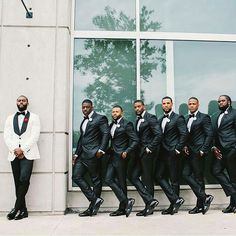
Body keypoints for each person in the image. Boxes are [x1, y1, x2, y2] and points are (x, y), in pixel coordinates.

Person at [4, 95, 40, 220]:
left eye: (23, 100)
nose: (21, 102)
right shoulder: (9, 118)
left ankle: (15, 208)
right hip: (14, 154)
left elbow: (35, 136)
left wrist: (23, 149)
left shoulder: (34, 117)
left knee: (24, 180)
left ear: (27, 103)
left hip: (28, 153)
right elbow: (6, 136)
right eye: (19, 100)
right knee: (17, 182)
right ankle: (23, 210)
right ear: (16, 102)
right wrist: (15, 149)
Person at [72, 99, 109, 217]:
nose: (85, 109)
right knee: (76, 176)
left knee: (96, 180)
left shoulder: (100, 118)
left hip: (93, 154)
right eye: (83, 107)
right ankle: (95, 200)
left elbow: (106, 134)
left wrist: (101, 150)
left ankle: (92, 208)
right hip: (82, 155)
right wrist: (76, 154)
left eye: (87, 107)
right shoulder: (84, 121)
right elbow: (82, 138)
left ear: (92, 107)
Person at [128, 100, 161, 216]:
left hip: (147, 153)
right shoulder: (136, 120)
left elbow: (158, 134)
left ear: (144, 107)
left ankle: (149, 207)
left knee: (147, 179)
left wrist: (150, 148)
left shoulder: (150, 117)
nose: (137, 109)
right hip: (139, 154)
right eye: (135, 107)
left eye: (139, 106)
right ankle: (150, 201)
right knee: (133, 176)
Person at [156, 96, 188, 215]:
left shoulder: (178, 118)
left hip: (173, 153)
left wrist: (178, 149)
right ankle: (175, 199)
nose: (165, 105)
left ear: (172, 104)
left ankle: (174, 206)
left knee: (174, 180)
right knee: (158, 176)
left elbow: (184, 134)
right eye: (163, 103)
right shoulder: (160, 119)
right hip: (162, 153)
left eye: (168, 103)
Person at [105, 105, 138, 217]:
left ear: (121, 113)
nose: (114, 113)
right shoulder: (111, 125)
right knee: (108, 179)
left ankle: (122, 208)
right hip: (112, 156)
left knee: (121, 182)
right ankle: (126, 200)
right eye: (113, 112)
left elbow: (135, 140)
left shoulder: (127, 124)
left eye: (117, 111)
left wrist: (127, 151)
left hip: (121, 157)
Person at [183, 97, 214, 214]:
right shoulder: (186, 119)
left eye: (193, 104)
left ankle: (200, 205)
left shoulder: (204, 117)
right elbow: (186, 135)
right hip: (189, 152)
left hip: (199, 151)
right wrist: (185, 145)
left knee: (199, 178)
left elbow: (209, 134)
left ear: (198, 105)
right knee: (185, 174)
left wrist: (203, 149)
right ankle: (204, 197)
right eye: (189, 104)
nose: (191, 106)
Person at [211, 95, 236, 213]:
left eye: (223, 101)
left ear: (229, 102)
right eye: (219, 101)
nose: (220, 103)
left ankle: (233, 205)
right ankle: (234, 195)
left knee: (233, 178)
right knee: (216, 170)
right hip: (220, 151)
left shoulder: (234, 113)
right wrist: (214, 147)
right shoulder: (217, 115)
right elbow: (216, 133)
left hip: (231, 149)